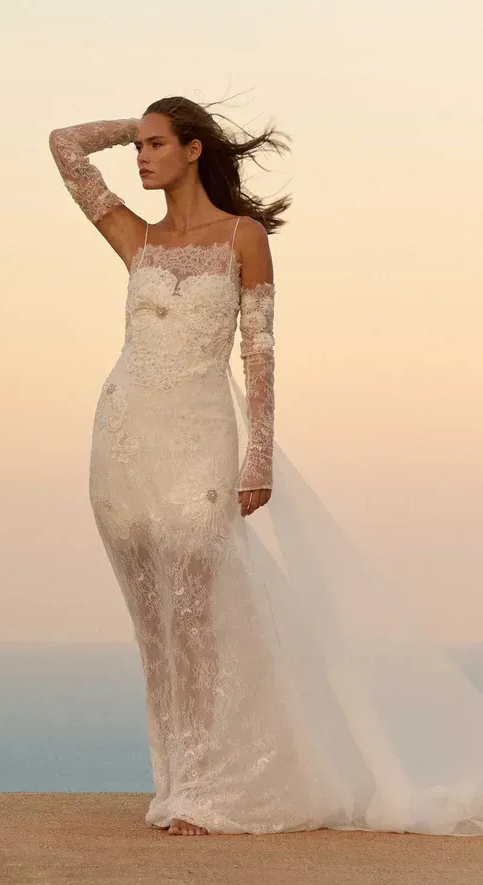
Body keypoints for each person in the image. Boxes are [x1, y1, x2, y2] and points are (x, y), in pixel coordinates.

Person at [49, 96, 483, 838]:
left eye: (157, 145)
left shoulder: (244, 238)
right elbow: (63, 145)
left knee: (198, 613)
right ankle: (178, 780)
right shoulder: (136, 237)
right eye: (138, 147)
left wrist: (259, 455)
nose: (141, 158)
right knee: (155, 625)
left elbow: (259, 355)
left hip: (201, 443)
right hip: (123, 439)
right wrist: (135, 122)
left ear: (193, 150)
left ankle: (213, 787)